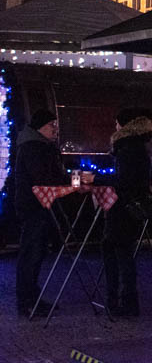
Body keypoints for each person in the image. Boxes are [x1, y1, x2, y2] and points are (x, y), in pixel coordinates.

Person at [14, 109, 67, 316]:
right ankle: (27, 301)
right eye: (51, 126)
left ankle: (32, 297)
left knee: (36, 252)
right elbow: (44, 177)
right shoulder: (34, 148)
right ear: (40, 128)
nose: (54, 129)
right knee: (32, 252)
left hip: (36, 205)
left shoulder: (39, 146)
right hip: (34, 206)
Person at [103, 107, 152, 316]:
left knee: (116, 253)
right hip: (132, 207)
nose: (114, 127)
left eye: (117, 123)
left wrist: (96, 180)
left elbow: (123, 181)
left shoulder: (127, 147)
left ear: (125, 126)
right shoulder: (138, 145)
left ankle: (120, 302)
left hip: (123, 208)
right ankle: (124, 302)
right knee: (123, 253)